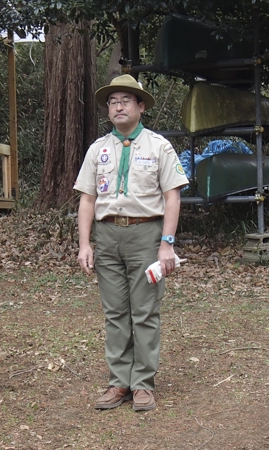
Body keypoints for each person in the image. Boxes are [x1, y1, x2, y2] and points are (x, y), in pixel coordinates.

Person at [74, 75, 188, 412]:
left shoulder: (158, 147)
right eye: (112, 101)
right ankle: (119, 382)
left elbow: (172, 197)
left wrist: (166, 244)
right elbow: (87, 201)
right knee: (115, 313)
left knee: (144, 311)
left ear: (140, 107)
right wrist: (85, 243)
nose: (118, 106)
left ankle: (143, 385)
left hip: (146, 236)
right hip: (107, 237)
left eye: (126, 100)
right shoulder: (98, 149)